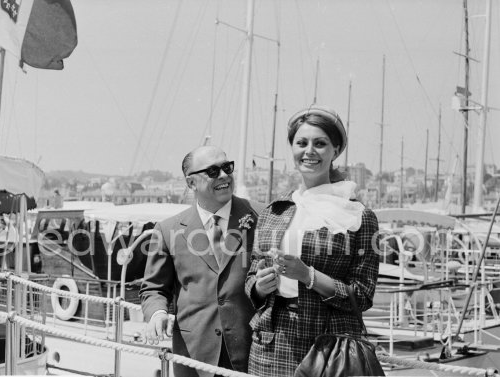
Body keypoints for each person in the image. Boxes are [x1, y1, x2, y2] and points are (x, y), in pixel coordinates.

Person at [245, 105, 380, 377]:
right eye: (301, 143)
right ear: (292, 148)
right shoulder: (275, 211)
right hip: (272, 345)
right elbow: (250, 279)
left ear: (336, 150)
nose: (309, 151)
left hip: (330, 349)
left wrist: (307, 275)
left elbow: (362, 295)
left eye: (320, 143)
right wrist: (259, 285)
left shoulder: (358, 216)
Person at [140, 145, 265, 377]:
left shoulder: (262, 216)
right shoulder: (168, 230)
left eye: (227, 167)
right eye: (213, 171)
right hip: (193, 356)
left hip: (252, 353)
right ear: (191, 183)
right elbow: (153, 289)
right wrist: (157, 314)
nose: (225, 175)